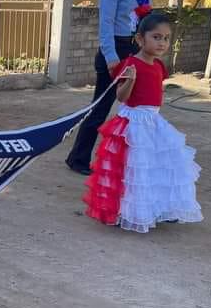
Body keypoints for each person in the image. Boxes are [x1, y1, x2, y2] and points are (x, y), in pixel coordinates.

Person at [83, 13, 203, 232]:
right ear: (140, 39)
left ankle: (157, 208)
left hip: (153, 121)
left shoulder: (158, 66)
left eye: (166, 38)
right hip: (134, 123)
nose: (162, 43)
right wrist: (132, 79)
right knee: (133, 168)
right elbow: (121, 97)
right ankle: (128, 211)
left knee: (156, 166)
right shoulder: (130, 64)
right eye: (156, 37)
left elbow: (156, 91)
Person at [65, 0, 152, 175]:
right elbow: (106, 23)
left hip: (135, 47)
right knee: (100, 109)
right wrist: (111, 57)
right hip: (115, 48)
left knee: (136, 108)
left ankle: (131, 163)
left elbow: (144, 18)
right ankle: (78, 159)